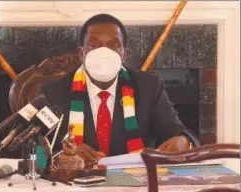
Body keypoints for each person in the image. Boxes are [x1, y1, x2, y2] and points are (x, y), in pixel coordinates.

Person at [36, 13, 200, 159]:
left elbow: (176, 131)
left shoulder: (148, 87)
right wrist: (63, 156)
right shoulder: (53, 91)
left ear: (124, 55)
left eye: (113, 46)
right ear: (81, 54)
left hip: (135, 186)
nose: (104, 54)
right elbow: (35, 148)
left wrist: (183, 141)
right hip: (73, 187)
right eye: (94, 45)